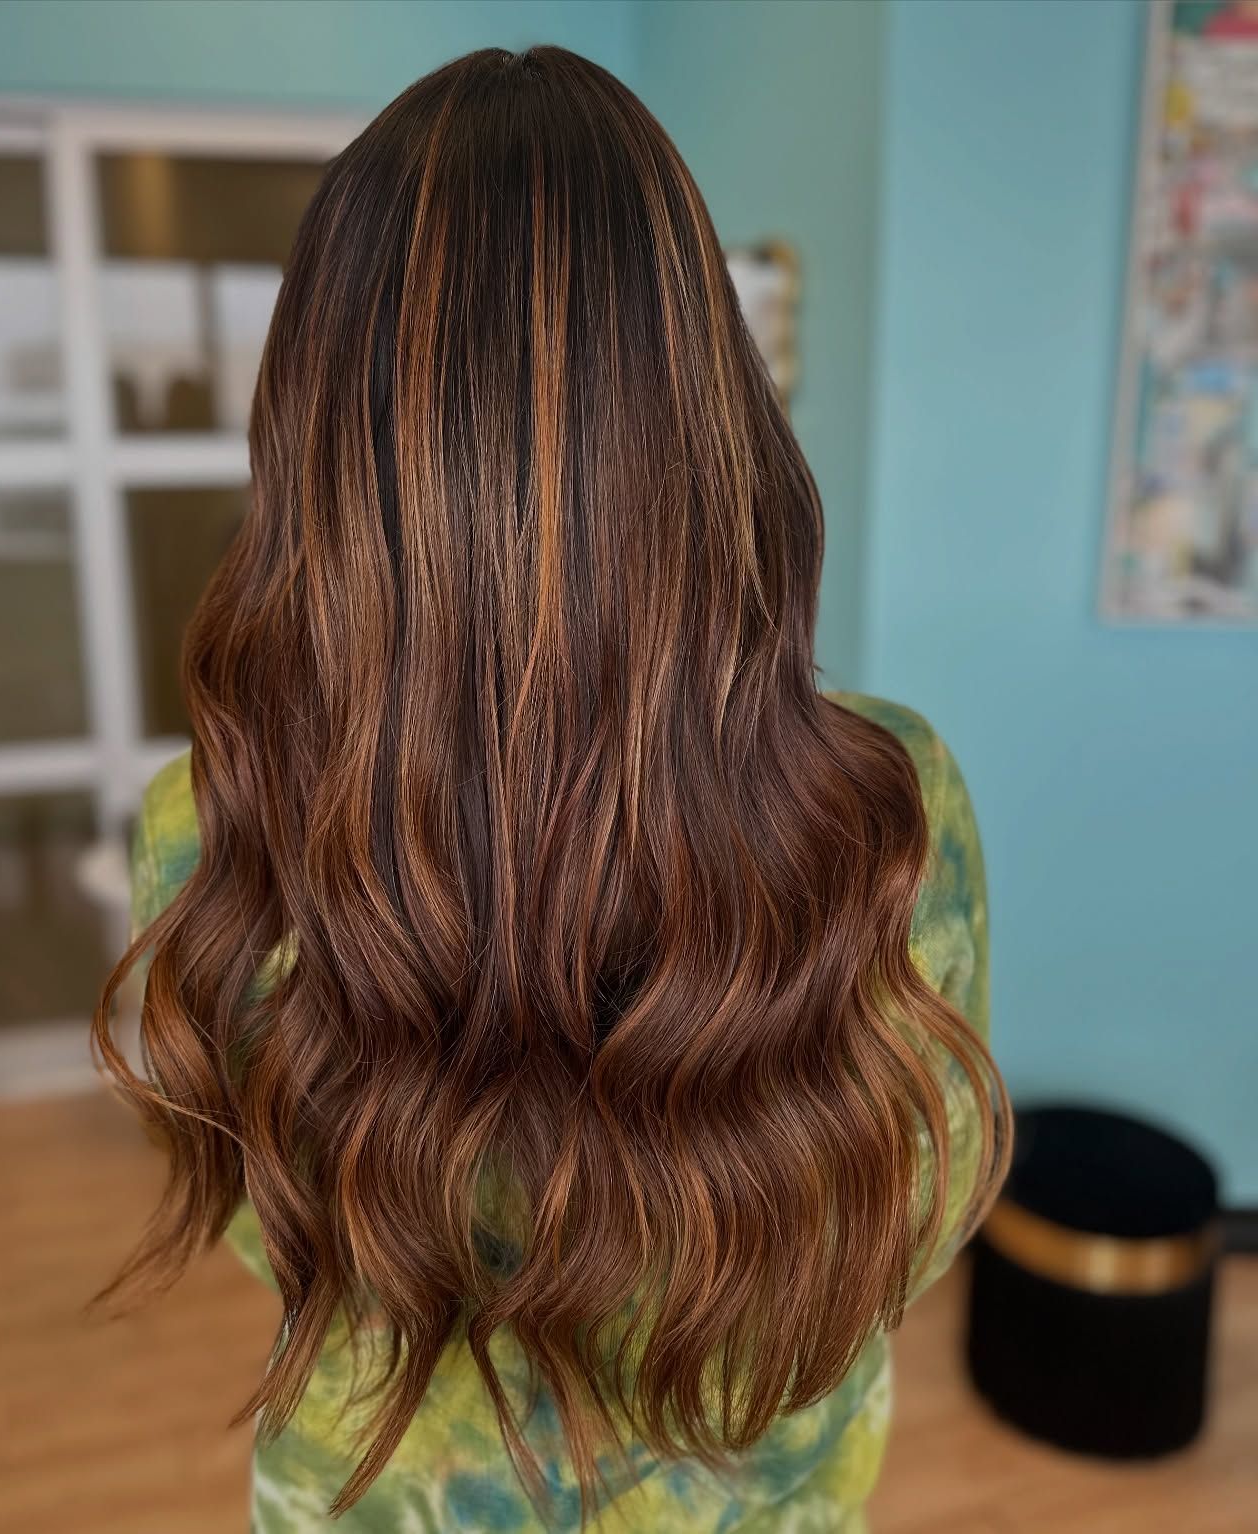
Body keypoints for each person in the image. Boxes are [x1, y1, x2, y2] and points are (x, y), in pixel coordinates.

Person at [95, 46, 1009, 1534]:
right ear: (709, 417)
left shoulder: (206, 818)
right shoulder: (888, 799)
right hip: (760, 1497)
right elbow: (908, 1217)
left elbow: (277, 1239)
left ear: (321, 443)